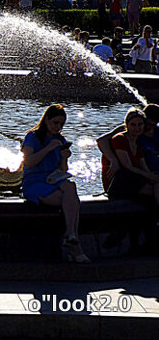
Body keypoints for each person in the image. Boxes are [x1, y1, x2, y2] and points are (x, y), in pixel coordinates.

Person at [21, 104, 87, 263]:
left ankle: (71, 235)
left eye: (61, 124)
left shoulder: (60, 140)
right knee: (71, 202)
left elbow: (62, 170)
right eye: (55, 123)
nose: (58, 127)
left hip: (54, 179)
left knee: (70, 186)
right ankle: (73, 242)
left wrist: (64, 157)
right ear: (47, 120)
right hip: (35, 181)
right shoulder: (33, 137)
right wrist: (47, 149)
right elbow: (28, 163)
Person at [101, 108, 159, 207]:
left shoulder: (138, 144)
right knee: (153, 189)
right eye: (133, 125)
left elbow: (143, 165)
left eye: (140, 125)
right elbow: (127, 166)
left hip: (134, 179)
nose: (137, 128)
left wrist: (152, 177)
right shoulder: (120, 138)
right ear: (127, 125)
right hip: (120, 181)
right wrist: (113, 160)